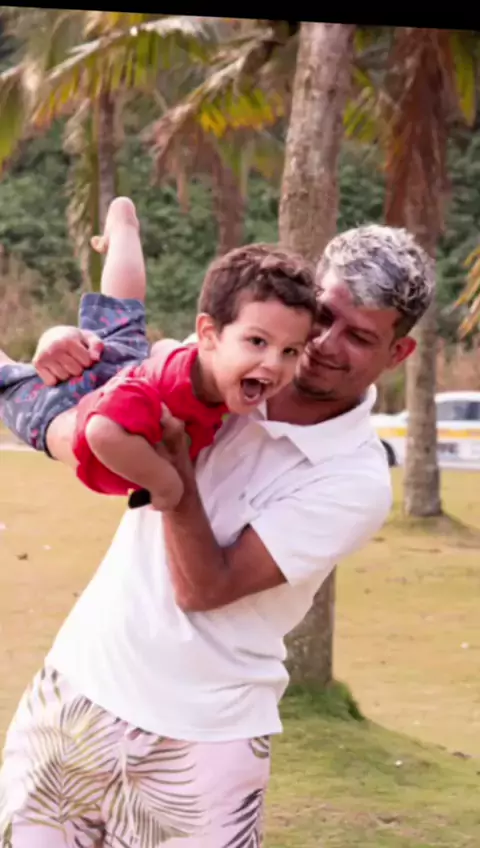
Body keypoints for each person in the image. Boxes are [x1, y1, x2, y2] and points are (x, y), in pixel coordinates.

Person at [0, 223, 434, 847]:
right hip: (77, 689)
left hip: (202, 742)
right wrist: (62, 347)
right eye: (323, 318)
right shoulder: (228, 361)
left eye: (359, 336)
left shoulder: (355, 479)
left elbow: (204, 587)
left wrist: (173, 472)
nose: (323, 345)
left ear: (398, 354)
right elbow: (114, 376)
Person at [0, 198, 316, 511]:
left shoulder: (201, 366)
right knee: (7, 386)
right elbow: (101, 430)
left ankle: (124, 227)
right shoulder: (167, 390)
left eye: (290, 351)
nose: (274, 363)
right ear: (209, 334)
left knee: (123, 315)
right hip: (64, 409)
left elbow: (163, 348)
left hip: (128, 364)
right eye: (258, 342)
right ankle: (123, 227)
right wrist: (165, 483)